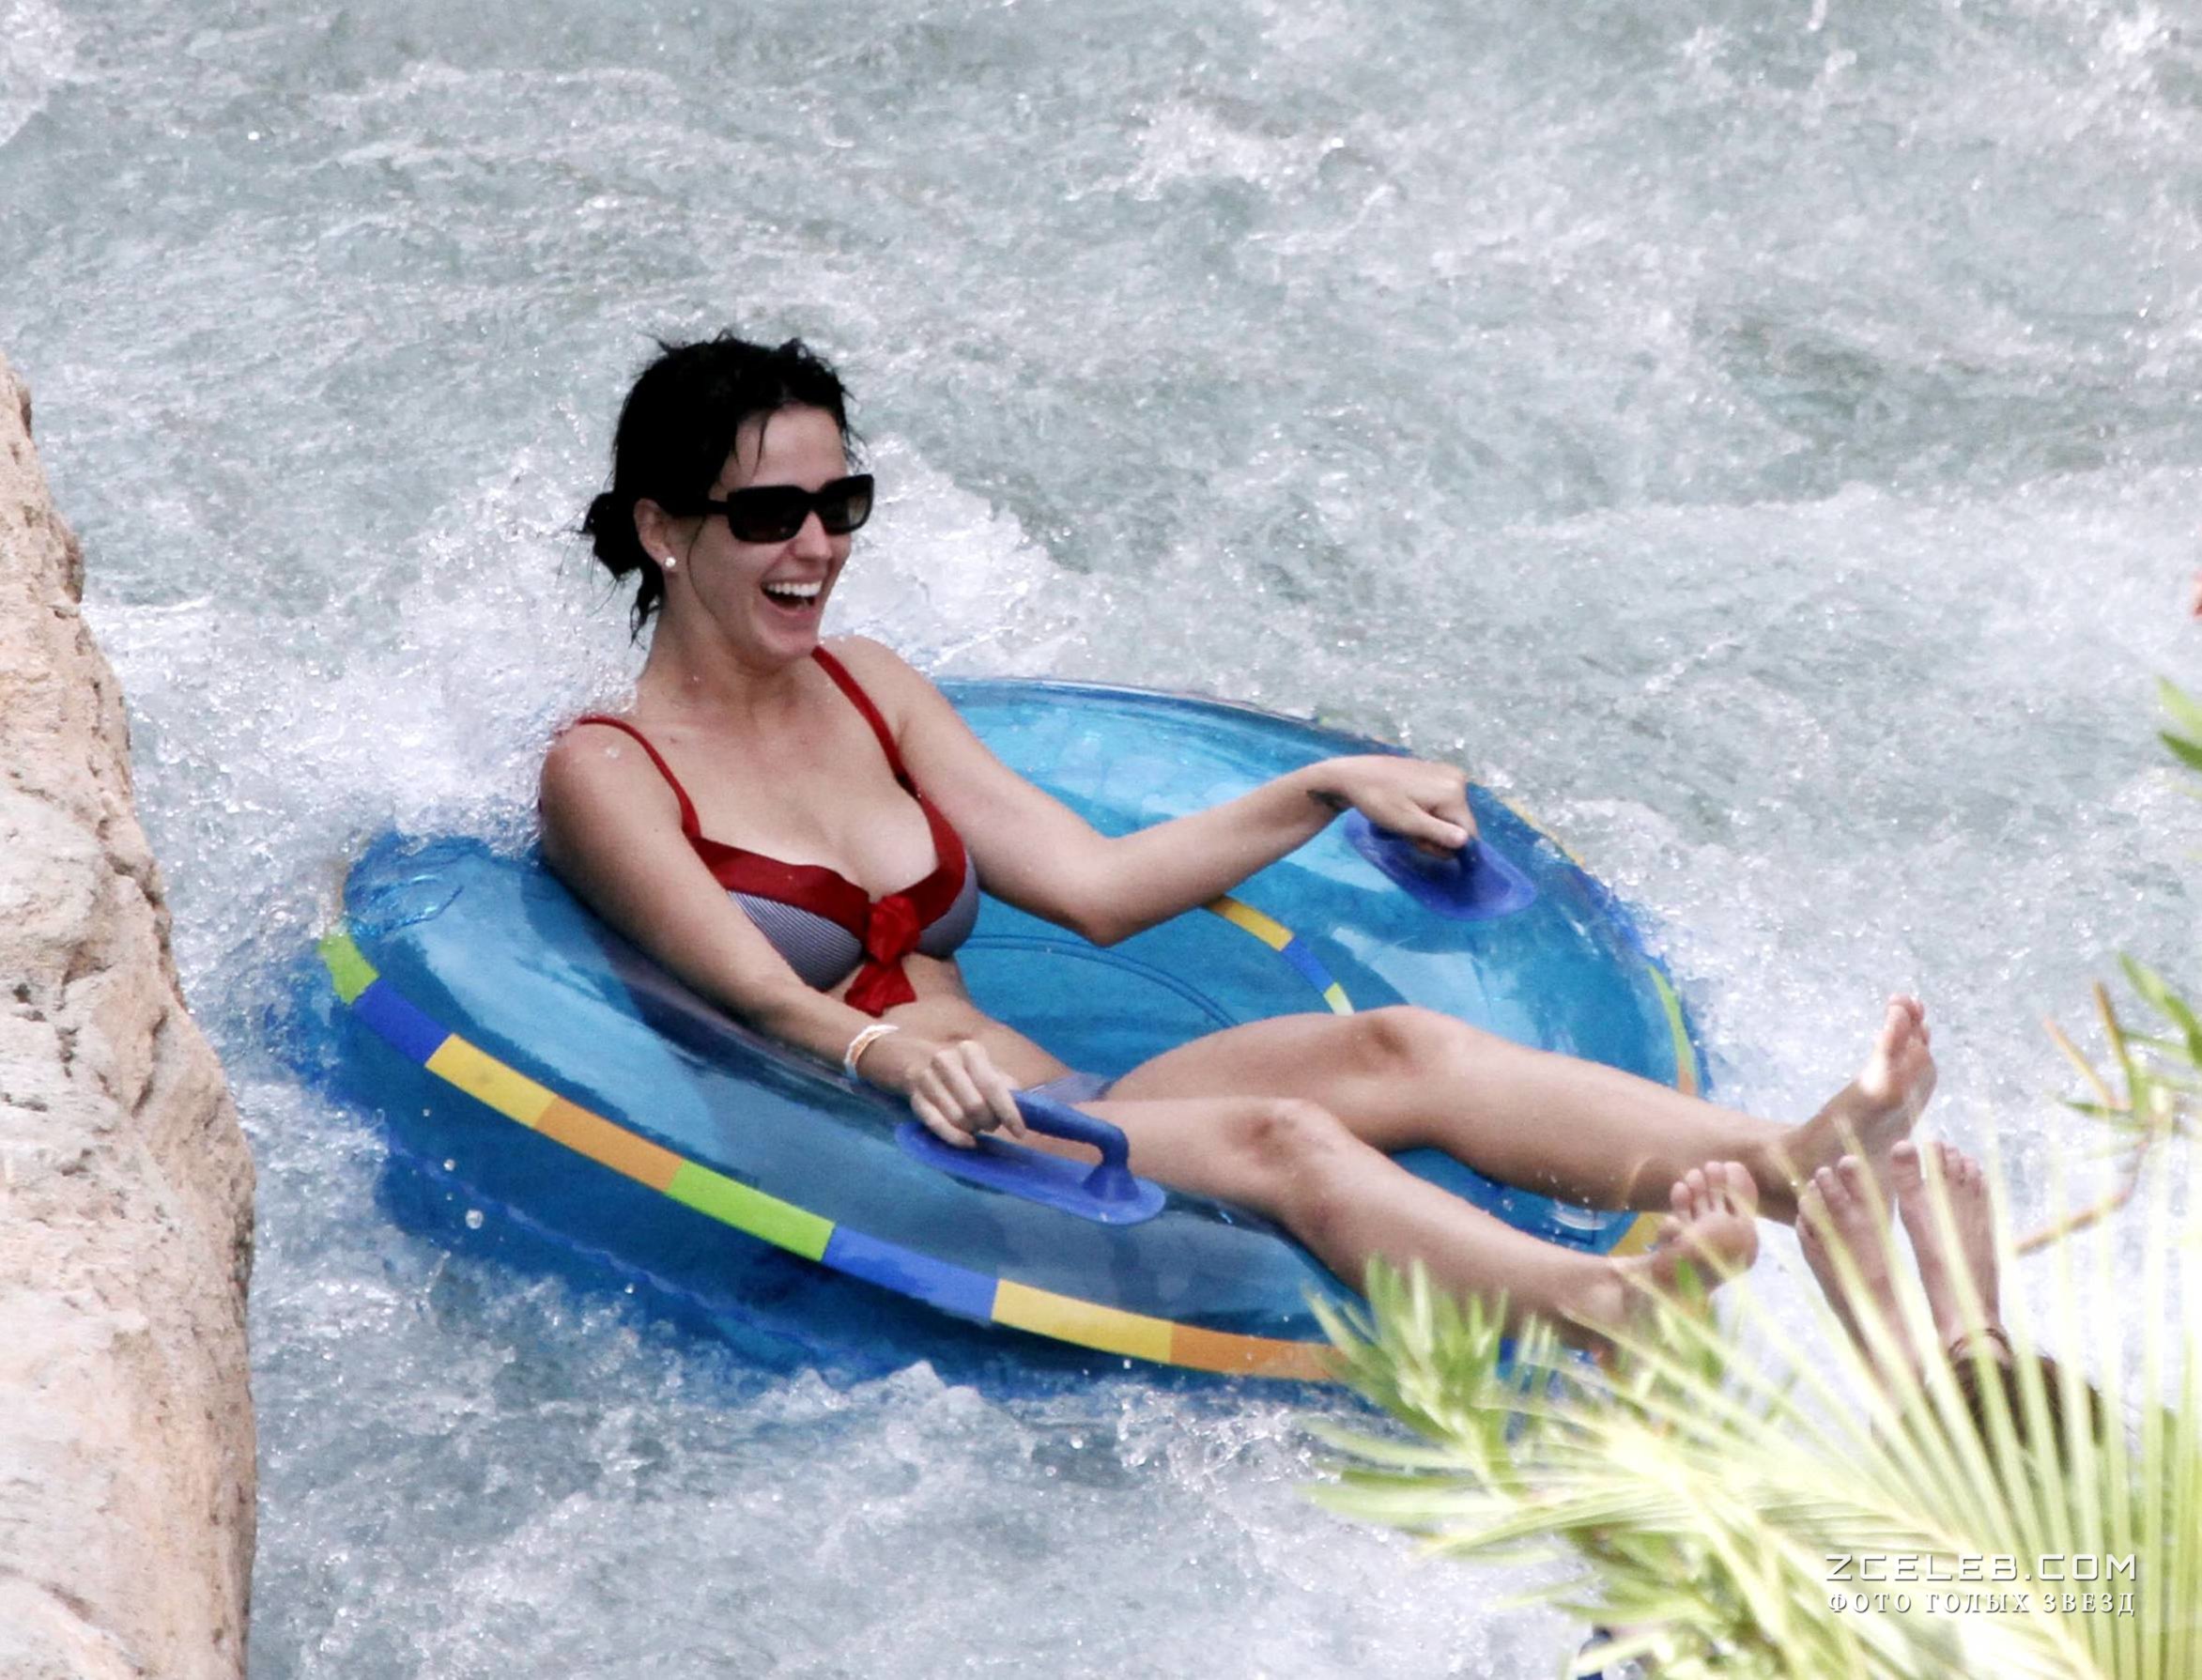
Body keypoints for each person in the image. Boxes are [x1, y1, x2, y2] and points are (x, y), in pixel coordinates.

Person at [538, 331, 1938, 1349]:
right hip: (891, 1139)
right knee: (1287, 1139)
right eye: (768, 515)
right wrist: (886, 1054)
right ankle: (1597, 1306)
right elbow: (759, 993)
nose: (817, 547)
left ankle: (1793, 1162)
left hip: (1057, 1102)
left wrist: (1321, 787)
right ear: (663, 529)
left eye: (839, 505)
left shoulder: (870, 685)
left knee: (1397, 1046)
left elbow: (1092, 887)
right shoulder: (606, 770)